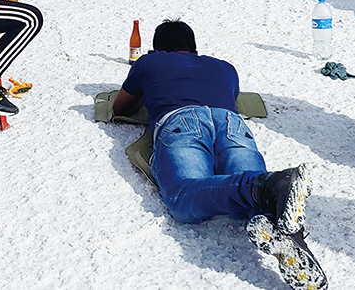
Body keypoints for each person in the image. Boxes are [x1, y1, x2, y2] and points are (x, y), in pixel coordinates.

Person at [113, 20, 327, 290]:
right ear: (194, 47)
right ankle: (284, 218)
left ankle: (262, 187)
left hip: (182, 121)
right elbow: (230, 98)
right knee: (257, 200)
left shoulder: (150, 62)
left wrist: (150, 89)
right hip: (231, 122)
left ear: (159, 49)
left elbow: (121, 107)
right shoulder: (225, 67)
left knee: (183, 196)